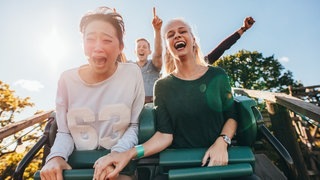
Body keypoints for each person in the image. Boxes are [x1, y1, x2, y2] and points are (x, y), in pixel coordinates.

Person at [94, 18, 239, 180]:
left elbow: (231, 116)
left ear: (193, 40)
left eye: (182, 31)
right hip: (181, 166)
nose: (177, 36)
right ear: (168, 47)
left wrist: (222, 142)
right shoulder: (162, 86)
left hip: (221, 162)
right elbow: (164, 135)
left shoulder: (217, 75)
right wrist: (128, 154)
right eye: (170, 35)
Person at [40, 6, 145, 180]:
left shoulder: (132, 74)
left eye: (106, 40)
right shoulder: (66, 80)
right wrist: (56, 156)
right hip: (75, 169)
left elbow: (134, 126)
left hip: (118, 168)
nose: (97, 47)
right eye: (90, 39)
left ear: (121, 47)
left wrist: (116, 154)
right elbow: (64, 132)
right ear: (82, 44)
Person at [133, 7, 163, 103]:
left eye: (144, 47)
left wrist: (157, 31)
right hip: (133, 104)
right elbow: (118, 57)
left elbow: (158, 54)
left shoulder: (153, 64)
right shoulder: (129, 66)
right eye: (139, 47)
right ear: (135, 51)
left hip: (151, 104)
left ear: (149, 51)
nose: (141, 48)